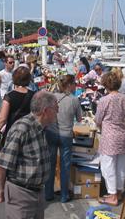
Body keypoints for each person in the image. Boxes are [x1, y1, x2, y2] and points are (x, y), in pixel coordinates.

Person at [0, 91, 57, 219]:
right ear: (46, 111)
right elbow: (1, 165)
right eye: (56, 108)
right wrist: (1, 190)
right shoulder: (22, 128)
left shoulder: (41, 127)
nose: (58, 112)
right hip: (21, 194)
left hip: (37, 192)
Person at [0, 66, 35, 201]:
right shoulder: (33, 96)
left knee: (1, 163)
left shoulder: (10, 96)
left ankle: (2, 191)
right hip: (29, 133)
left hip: (12, 133)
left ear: (14, 79)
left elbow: (2, 119)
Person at [44, 75, 82, 203]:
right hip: (66, 134)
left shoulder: (53, 97)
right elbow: (80, 118)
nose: (75, 86)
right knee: (65, 166)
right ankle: (64, 195)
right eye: (74, 84)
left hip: (52, 131)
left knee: (51, 163)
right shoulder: (74, 100)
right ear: (70, 85)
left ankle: (48, 193)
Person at [95, 71, 125, 207]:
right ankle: (118, 192)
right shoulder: (124, 98)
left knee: (108, 166)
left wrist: (99, 124)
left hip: (109, 135)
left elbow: (98, 119)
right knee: (120, 165)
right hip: (122, 134)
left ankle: (113, 195)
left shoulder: (104, 100)